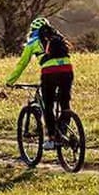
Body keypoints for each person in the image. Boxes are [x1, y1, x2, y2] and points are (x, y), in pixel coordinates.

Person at [6, 16, 74, 150]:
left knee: (48, 105)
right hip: (67, 70)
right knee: (65, 103)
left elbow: (22, 64)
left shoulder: (32, 42)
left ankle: (52, 139)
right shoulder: (58, 38)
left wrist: (10, 81)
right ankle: (63, 131)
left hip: (50, 73)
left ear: (33, 30)